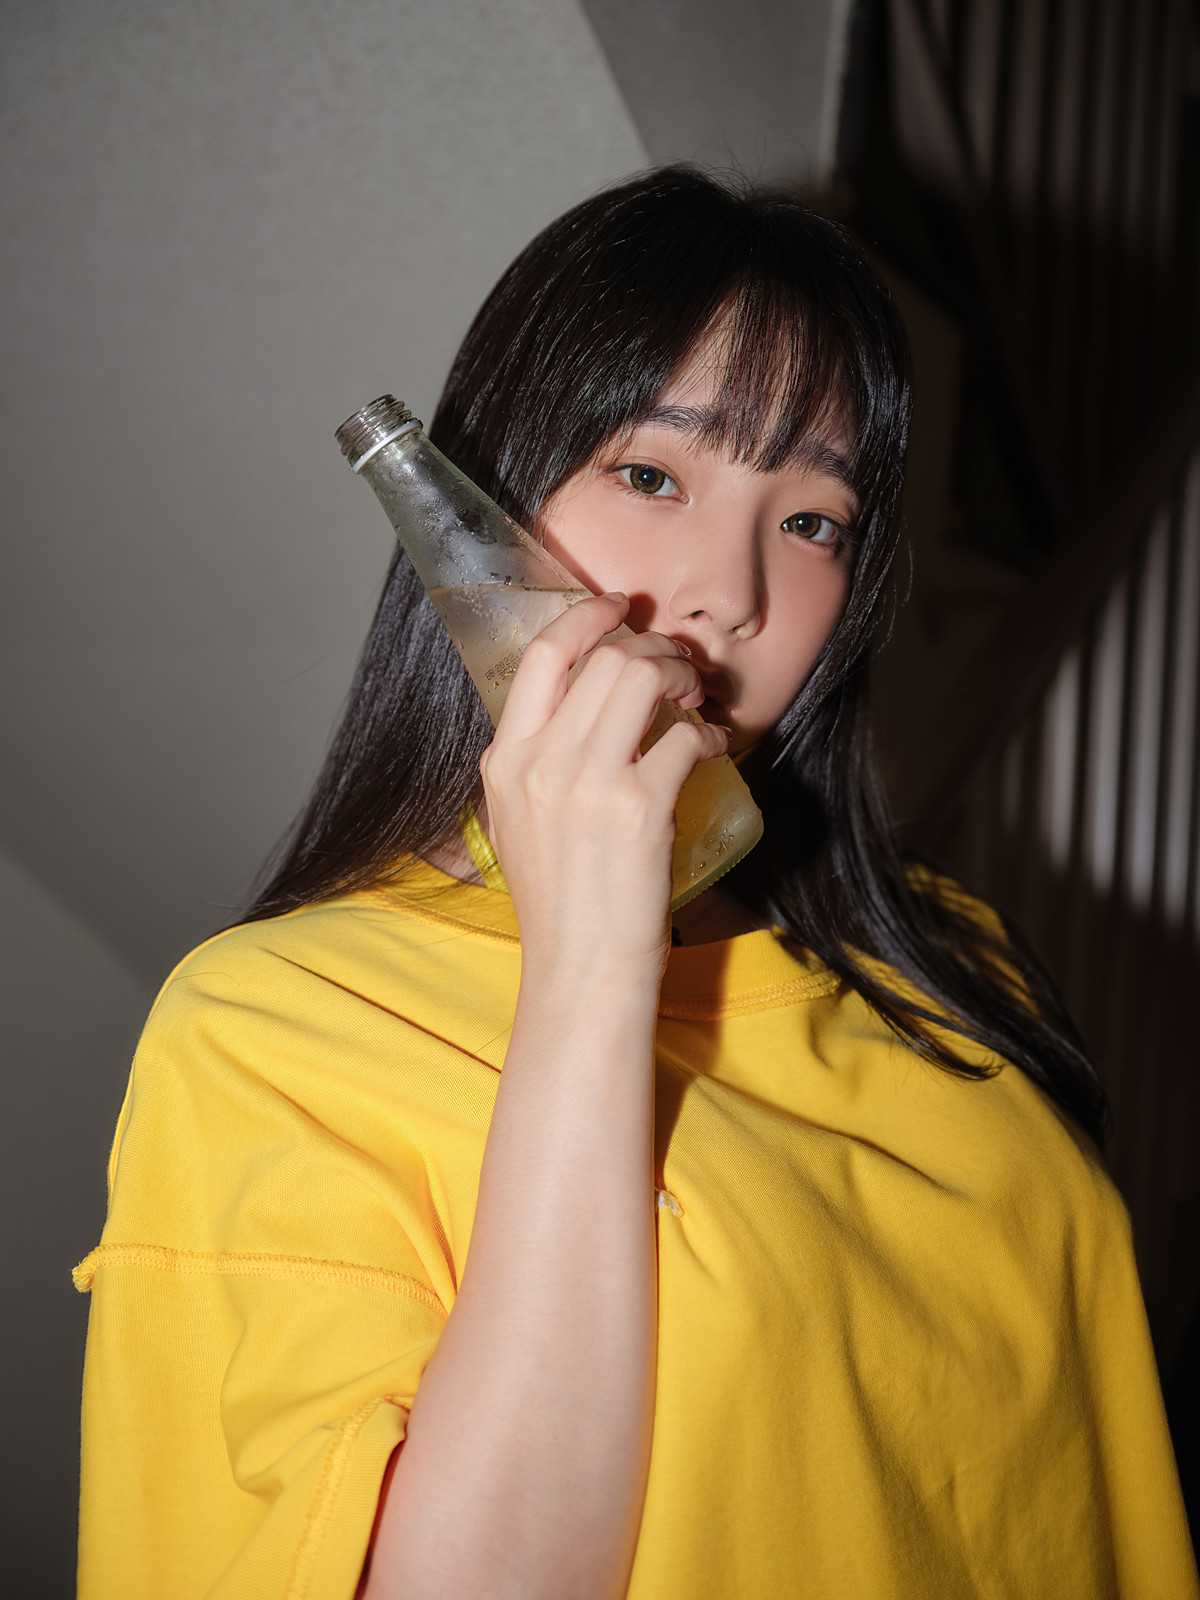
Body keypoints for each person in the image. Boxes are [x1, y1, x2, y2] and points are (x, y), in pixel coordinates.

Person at [74, 168, 1197, 1600]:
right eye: (654, 475)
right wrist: (593, 953)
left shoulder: (945, 960)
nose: (732, 592)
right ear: (476, 516)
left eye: (816, 522)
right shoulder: (276, 1024)